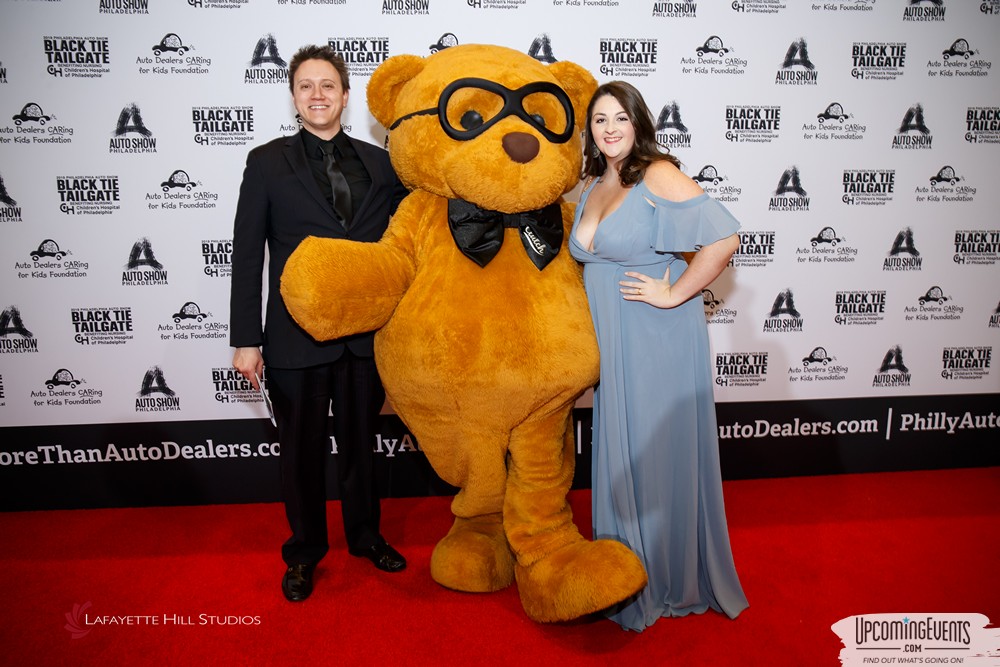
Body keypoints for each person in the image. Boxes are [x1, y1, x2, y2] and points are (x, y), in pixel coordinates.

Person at [230, 44, 409, 602]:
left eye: (327, 85)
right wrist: (245, 339)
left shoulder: (382, 164)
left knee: (362, 446)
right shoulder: (265, 162)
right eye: (305, 85)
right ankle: (304, 553)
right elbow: (247, 253)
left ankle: (366, 536)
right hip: (292, 335)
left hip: (363, 337)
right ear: (293, 97)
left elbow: (404, 244)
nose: (317, 95)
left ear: (345, 96)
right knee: (300, 452)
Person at [569, 81, 748, 630]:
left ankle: (666, 576)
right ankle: (625, 570)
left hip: (656, 333)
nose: (610, 128)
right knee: (624, 454)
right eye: (600, 120)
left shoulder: (656, 173)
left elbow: (723, 238)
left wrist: (672, 292)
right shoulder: (594, 183)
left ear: (638, 122)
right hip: (613, 335)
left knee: (652, 450)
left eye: (620, 117)